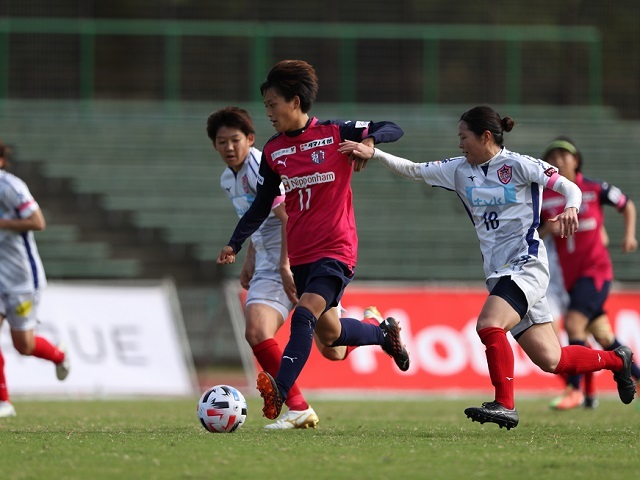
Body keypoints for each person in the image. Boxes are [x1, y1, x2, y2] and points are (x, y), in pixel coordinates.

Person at [339, 105, 636, 430]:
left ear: (485, 136)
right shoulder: (458, 170)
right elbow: (413, 169)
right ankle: (617, 360)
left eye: (463, 137)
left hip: (527, 266)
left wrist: (571, 208)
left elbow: (570, 187)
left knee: (489, 323)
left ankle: (505, 404)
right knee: (554, 360)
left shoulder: (519, 165)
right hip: (499, 274)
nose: (459, 144)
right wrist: (375, 152)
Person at [216, 59, 410, 421]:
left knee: (303, 315)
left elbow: (392, 127)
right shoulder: (274, 151)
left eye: (272, 105)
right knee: (333, 340)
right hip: (303, 254)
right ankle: (382, 334)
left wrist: (369, 142)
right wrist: (235, 243)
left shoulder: (336, 133)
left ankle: (283, 395)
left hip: (336, 249)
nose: (269, 113)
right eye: (265, 106)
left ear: (294, 101)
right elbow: (261, 206)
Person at [540, 137, 639, 410]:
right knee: (605, 337)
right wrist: (549, 229)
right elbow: (535, 233)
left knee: (573, 324)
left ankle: (576, 390)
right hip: (570, 280)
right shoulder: (545, 196)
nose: (558, 161)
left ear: (576, 160)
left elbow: (627, 204)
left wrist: (629, 236)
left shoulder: (595, 189)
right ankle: (635, 378)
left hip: (595, 272)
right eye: (553, 157)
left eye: (564, 155)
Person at [0, 140, 70, 418]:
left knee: (23, 345)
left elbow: (38, 221)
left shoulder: (10, 187)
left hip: (21, 279)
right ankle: (4, 402)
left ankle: (59, 356)